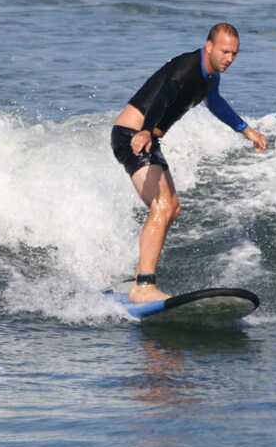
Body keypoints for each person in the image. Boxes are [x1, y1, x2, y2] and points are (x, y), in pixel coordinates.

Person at [111, 23, 267, 303]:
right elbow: (161, 97)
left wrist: (247, 131)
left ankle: (139, 278)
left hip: (147, 138)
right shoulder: (186, 70)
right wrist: (146, 130)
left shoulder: (210, 76)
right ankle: (143, 286)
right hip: (132, 136)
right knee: (162, 206)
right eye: (224, 51)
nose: (229, 58)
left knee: (173, 208)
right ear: (208, 46)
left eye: (235, 53)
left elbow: (215, 102)